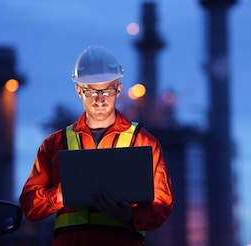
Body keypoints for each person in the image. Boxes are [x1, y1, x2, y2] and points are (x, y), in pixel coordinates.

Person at [19, 45, 174, 246]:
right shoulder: (55, 144)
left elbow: (162, 206)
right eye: (91, 92)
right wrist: (59, 195)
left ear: (118, 89)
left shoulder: (144, 142)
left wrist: (130, 214)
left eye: (107, 91)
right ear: (78, 91)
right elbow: (29, 206)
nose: (99, 100)